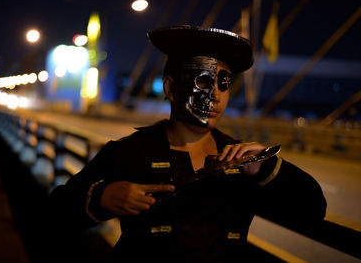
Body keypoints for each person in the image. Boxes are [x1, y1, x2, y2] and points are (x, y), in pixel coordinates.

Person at [47, 25, 326, 262]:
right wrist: (102, 198)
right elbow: (54, 213)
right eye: (203, 80)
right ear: (170, 87)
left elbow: (313, 210)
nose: (215, 95)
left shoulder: (244, 161)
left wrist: (268, 169)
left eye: (224, 83)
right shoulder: (130, 152)